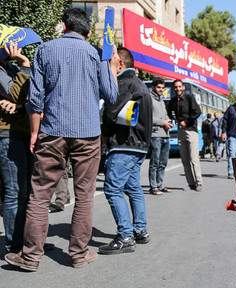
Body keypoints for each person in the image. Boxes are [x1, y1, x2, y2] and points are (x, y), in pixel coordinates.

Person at [5, 8, 119, 271]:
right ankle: (79, 254)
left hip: (52, 130)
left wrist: (34, 132)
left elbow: (35, 99)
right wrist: (111, 66)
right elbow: (111, 96)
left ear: (63, 26)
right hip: (88, 134)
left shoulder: (44, 50)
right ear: (88, 32)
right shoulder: (95, 53)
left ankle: (31, 256)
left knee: (40, 194)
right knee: (85, 195)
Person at [99, 47, 152, 255]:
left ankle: (126, 236)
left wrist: (103, 134)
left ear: (120, 63)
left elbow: (111, 111)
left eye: (111, 61)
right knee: (133, 189)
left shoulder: (124, 83)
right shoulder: (138, 83)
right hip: (137, 145)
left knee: (113, 189)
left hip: (124, 144)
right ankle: (140, 230)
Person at [0, 41, 32, 254]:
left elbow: (30, 96)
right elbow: (14, 92)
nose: (15, 48)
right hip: (7, 134)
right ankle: (15, 246)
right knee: (14, 191)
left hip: (23, 132)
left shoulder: (11, 68)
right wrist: (25, 63)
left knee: (27, 191)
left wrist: (20, 104)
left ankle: (26, 240)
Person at [167, 79, 203, 191]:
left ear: (183, 87)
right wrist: (175, 120)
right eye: (176, 87)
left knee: (194, 158)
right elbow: (169, 112)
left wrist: (186, 122)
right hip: (180, 132)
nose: (178, 89)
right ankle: (191, 183)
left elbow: (197, 112)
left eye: (179, 87)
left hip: (191, 131)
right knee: (185, 159)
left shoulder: (189, 98)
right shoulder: (172, 101)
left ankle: (199, 182)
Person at [148, 78, 172, 195]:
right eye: (159, 87)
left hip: (165, 135)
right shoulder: (149, 99)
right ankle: (153, 187)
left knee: (163, 163)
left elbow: (165, 115)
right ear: (153, 88)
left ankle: (160, 185)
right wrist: (162, 123)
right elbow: (148, 118)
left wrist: (168, 121)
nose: (161, 90)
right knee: (155, 162)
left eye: (163, 88)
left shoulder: (162, 101)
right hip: (155, 135)